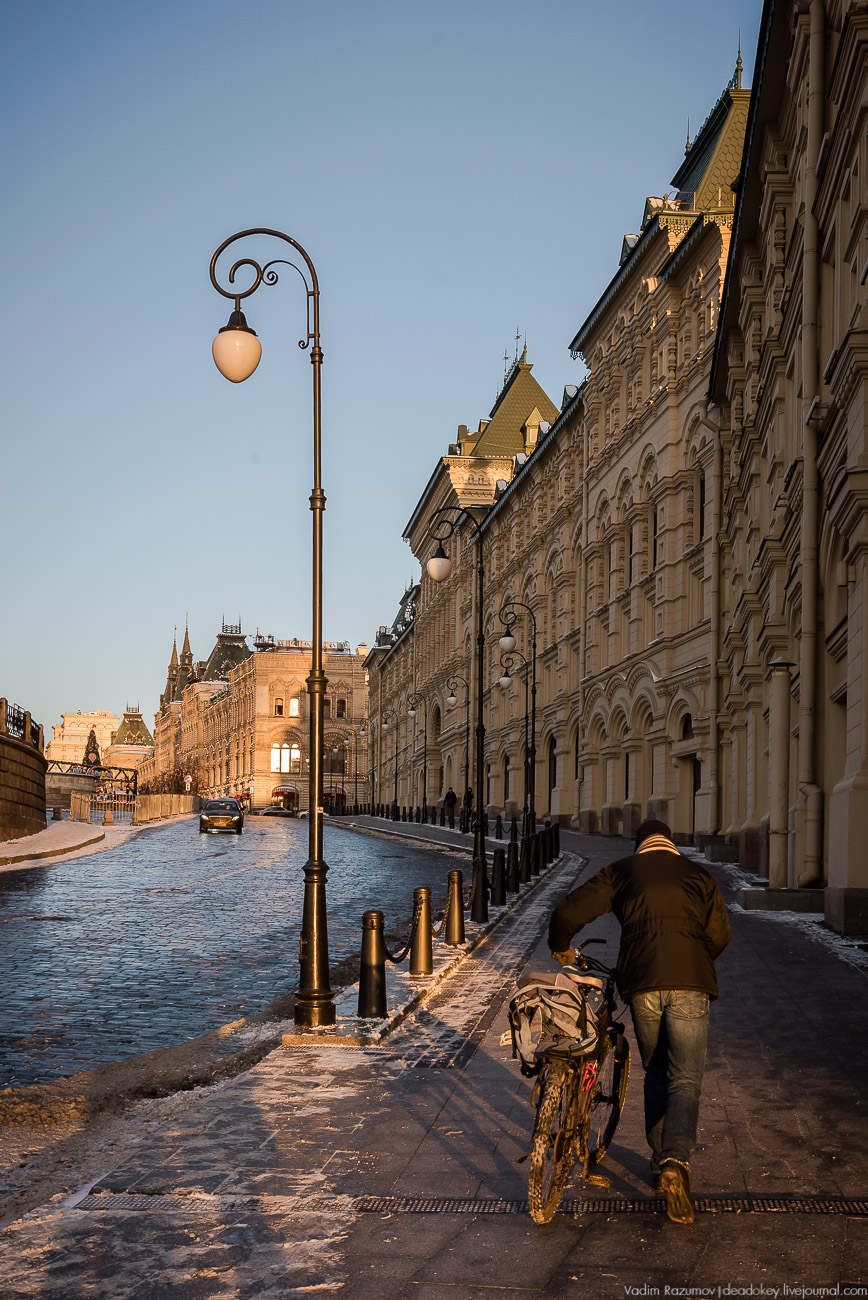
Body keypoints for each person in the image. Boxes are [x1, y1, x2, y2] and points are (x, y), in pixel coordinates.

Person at [548, 818, 730, 1225]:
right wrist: (694, 965)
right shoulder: (699, 876)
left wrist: (560, 947)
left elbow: (569, 909)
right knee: (685, 1077)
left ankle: (658, 1157)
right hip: (691, 984)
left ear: (640, 845)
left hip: (642, 983)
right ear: (670, 842)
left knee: (656, 1072)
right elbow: (720, 934)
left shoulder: (624, 871)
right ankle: (675, 1161)